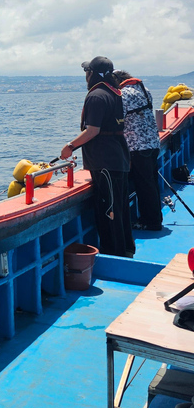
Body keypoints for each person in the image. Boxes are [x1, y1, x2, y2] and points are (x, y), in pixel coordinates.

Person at [60, 56, 135, 257]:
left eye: (87, 72)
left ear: (92, 74)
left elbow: (92, 130)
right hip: (118, 158)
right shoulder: (115, 93)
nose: (86, 76)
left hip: (105, 162)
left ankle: (115, 255)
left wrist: (70, 146)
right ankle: (127, 249)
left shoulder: (96, 96)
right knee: (120, 208)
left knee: (109, 210)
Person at [115, 70, 163, 231]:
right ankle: (155, 218)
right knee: (151, 183)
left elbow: (118, 121)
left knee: (143, 185)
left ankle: (150, 222)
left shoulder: (122, 95)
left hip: (137, 146)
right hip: (153, 143)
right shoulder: (145, 90)